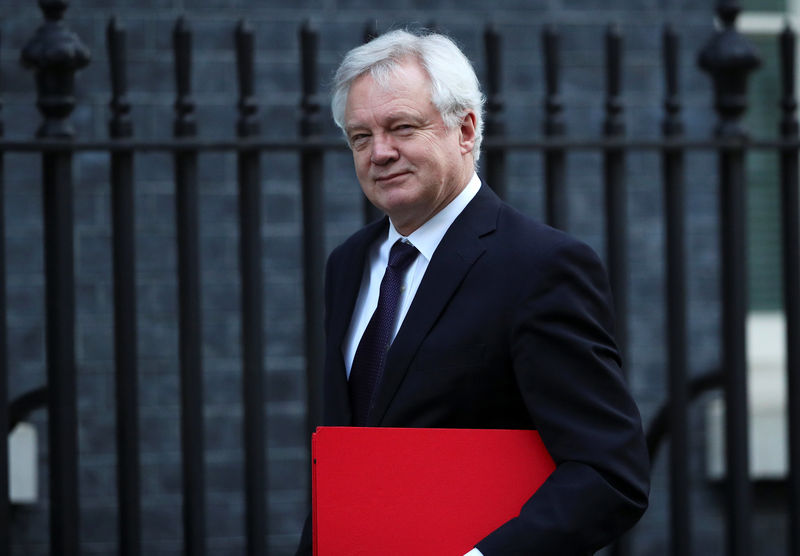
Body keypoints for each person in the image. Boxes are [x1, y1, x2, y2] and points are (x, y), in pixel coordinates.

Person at [296, 29, 649, 555]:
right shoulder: (348, 264)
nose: (380, 153)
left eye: (402, 127)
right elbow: (351, 451)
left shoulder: (541, 267)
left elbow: (609, 473)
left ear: (465, 130)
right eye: (360, 137)